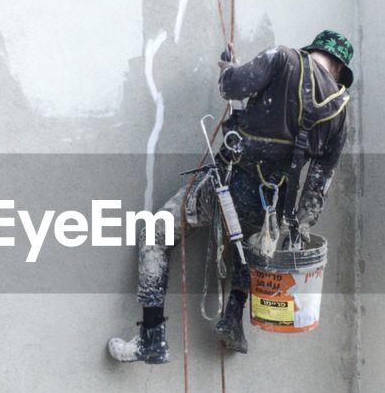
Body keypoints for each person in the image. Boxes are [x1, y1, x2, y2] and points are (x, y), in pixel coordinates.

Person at [107, 29, 354, 364]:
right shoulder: (340, 113)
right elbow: (317, 187)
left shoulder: (282, 58)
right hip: (273, 207)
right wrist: (293, 229)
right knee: (251, 251)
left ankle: (152, 337)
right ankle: (233, 319)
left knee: (156, 233)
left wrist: (229, 68)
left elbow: (231, 88)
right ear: (339, 70)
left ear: (313, 51)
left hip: (229, 185)